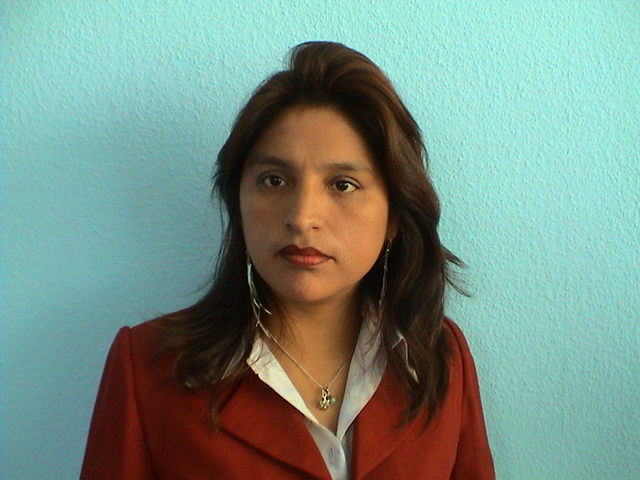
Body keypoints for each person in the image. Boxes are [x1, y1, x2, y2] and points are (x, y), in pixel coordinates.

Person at [81, 41, 495, 480]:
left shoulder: (438, 356)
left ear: (394, 214)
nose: (302, 217)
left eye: (342, 184)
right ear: (237, 201)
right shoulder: (150, 367)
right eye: (274, 181)